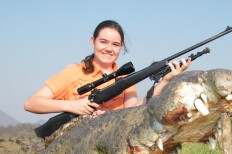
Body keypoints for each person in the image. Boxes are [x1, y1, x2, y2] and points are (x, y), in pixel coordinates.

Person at [24, 20, 191, 117]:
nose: (109, 49)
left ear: (121, 47)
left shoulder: (125, 80)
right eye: (103, 42)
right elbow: (31, 103)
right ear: (93, 41)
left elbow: (133, 111)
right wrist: (72, 106)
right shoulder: (74, 71)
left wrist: (165, 81)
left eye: (115, 44)